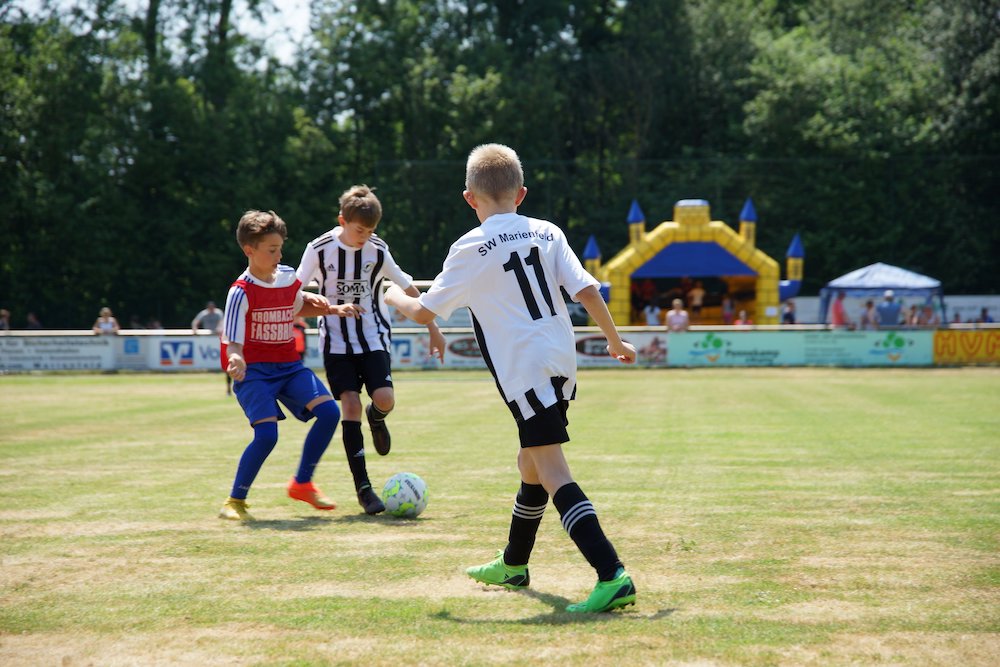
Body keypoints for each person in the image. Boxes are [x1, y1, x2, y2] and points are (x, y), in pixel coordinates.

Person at [385, 143, 636, 614]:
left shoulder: (469, 246)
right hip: (559, 360)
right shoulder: (547, 231)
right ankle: (514, 563)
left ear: (469, 198)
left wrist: (391, 295)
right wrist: (615, 340)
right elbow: (586, 289)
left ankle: (612, 574)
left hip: (525, 368)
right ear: (520, 193)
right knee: (530, 463)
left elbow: (421, 311)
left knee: (553, 469)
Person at [296, 185, 445, 516]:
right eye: (359, 230)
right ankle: (364, 489)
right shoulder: (319, 249)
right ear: (342, 221)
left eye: (371, 230)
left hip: (374, 337)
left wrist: (433, 328)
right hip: (336, 342)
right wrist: (308, 305)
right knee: (349, 404)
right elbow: (294, 289)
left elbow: (408, 287)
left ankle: (376, 417)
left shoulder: (377, 250)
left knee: (385, 399)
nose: (365, 236)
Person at [218, 209, 358, 521]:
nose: (279, 255)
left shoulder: (287, 277)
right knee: (267, 436)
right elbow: (233, 342)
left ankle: (302, 483)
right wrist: (236, 358)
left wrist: (332, 309)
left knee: (329, 413)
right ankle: (235, 501)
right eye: (272, 250)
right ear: (249, 250)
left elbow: (296, 307)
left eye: (280, 248)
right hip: (255, 372)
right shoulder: (240, 292)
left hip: (289, 366)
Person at [192, 301, 230, 394]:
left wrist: (219, 329)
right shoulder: (204, 314)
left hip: (218, 337)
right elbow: (195, 322)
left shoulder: (218, 313)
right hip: (208, 337)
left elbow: (222, 322)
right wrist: (195, 330)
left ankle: (229, 388)